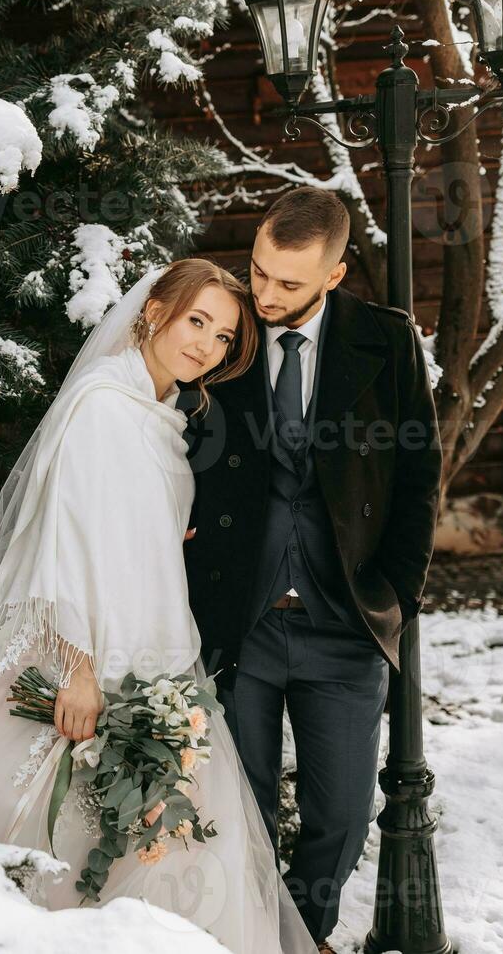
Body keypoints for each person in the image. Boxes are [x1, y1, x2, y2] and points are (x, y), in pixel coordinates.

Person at [0, 258, 318, 952]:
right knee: (52, 842)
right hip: (84, 654)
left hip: (155, 648)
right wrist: (79, 669)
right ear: (154, 310)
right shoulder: (103, 406)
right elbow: (63, 543)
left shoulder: (159, 410)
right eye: (197, 321)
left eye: (222, 337)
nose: (207, 345)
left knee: (162, 845)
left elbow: (119, 526)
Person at [182, 187, 442, 953]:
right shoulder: (232, 335)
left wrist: (394, 595)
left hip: (346, 625)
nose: (263, 295)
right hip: (242, 619)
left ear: (333, 275)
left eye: (288, 284)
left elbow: (418, 480)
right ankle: (270, 943)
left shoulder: (385, 342)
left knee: (340, 817)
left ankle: (304, 932)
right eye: (258, 271)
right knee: (245, 808)